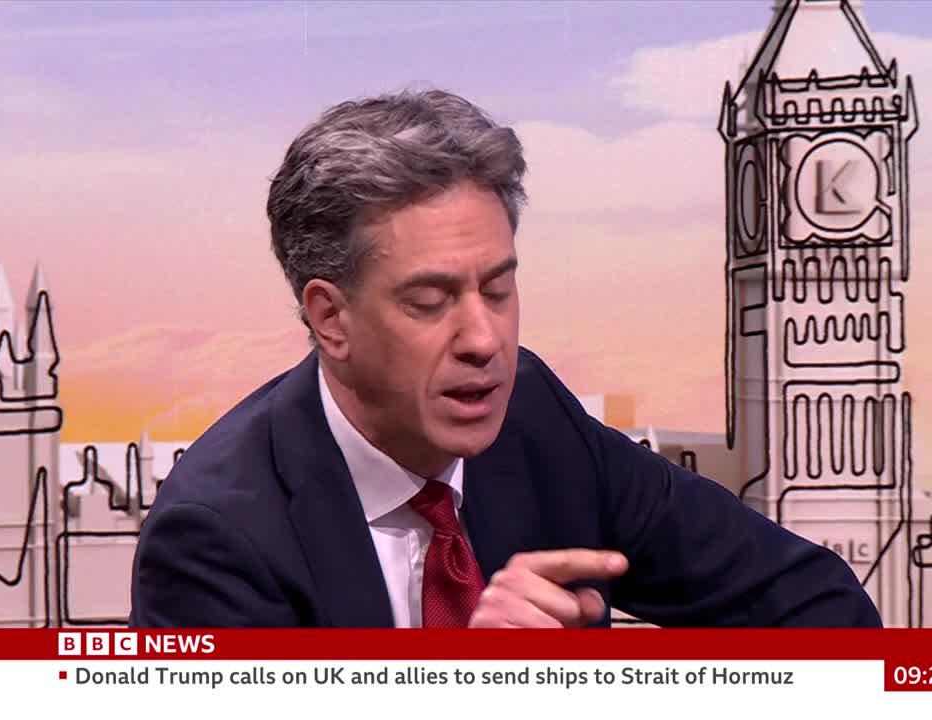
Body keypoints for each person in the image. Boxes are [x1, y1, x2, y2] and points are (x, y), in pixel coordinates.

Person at [128, 88, 881, 629]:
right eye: (431, 301)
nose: (484, 340)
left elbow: (818, 606)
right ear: (332, 319)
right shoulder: (217, 538)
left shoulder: (534, 415)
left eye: (498, 288)